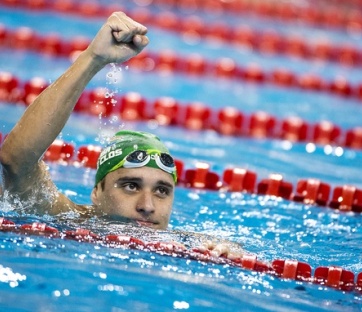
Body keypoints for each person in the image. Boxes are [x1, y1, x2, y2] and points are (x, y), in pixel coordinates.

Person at [0, 12, 241, 257]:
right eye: (130, 186)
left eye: (162, 191)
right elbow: (16, 161)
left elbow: (228, 247)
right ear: (97, 192)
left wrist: (229, 252)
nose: (147, 206)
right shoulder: (65, 219)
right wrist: (93, 58)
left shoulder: (192, 245)